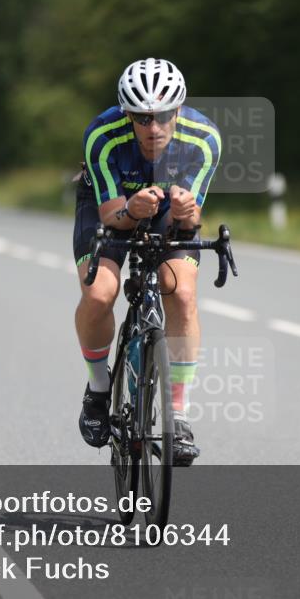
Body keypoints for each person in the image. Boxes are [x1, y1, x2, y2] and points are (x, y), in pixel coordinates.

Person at [73, 58, 221, 465]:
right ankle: (99, 389)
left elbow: (189, 221)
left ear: (179, 110)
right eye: (141, 118)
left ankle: (178, 413)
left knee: (183, 293)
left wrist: (186, 212)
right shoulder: (102, 135)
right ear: (127, 114)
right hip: (109, 207)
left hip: (166, 211)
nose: (153, 128)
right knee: (101, 292)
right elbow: (110, 215)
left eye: (162, 116)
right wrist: (133, 210)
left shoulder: (205, 138)